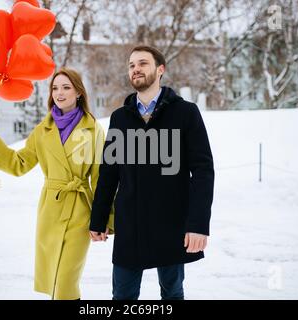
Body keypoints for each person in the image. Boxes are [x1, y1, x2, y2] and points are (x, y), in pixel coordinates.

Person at [89, 45, 214, 300]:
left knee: (172, 293)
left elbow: (203, 171)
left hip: (172, 223)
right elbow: (109, 172)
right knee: (122, 296)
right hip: (130, 226)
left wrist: (198, 224)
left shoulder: (186, 113)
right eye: (131, 65)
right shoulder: (119, 119)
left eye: (143, 63)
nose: (135, 69)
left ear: (160, 70)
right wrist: (98, 219)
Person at [0, 68, 112, 300]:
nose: (59, 93)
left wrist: (104, 219)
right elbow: (19, 164)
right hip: (50, 211)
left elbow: (101, 178)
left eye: (66, 87)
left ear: (79, 92)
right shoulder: (43, 130)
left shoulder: (93, 130)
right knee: (54, 282)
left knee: (65, 283)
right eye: (55, 88)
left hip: (80, 212)